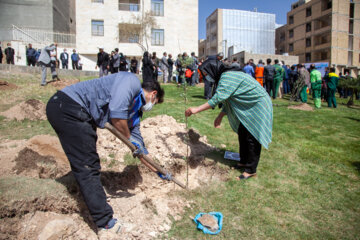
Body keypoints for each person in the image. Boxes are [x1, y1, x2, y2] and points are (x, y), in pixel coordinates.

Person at [46, 73, 165, 235]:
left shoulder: (135, 114)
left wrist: (157, 170)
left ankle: (97, 208)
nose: (151, 106)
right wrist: (130, 139)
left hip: (82, 114)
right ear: (153, 94)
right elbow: (116, 114)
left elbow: (139, 149)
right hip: (68, 106)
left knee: (88, 163)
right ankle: (105, 222)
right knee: (88, 165)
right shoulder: (131, 82)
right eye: (155, 103)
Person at [185, 59, 272, 180]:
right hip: (250, 106)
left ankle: (251, 169)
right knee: (243, 132)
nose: (206, 77)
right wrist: (220, 116)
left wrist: (196, 109)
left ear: (212, 70)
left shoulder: (227, 77)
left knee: (252, 137)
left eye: (206, 74)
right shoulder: (225, 76)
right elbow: (229, 98)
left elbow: (218, 98)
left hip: (258, 105)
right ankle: (243, 161)